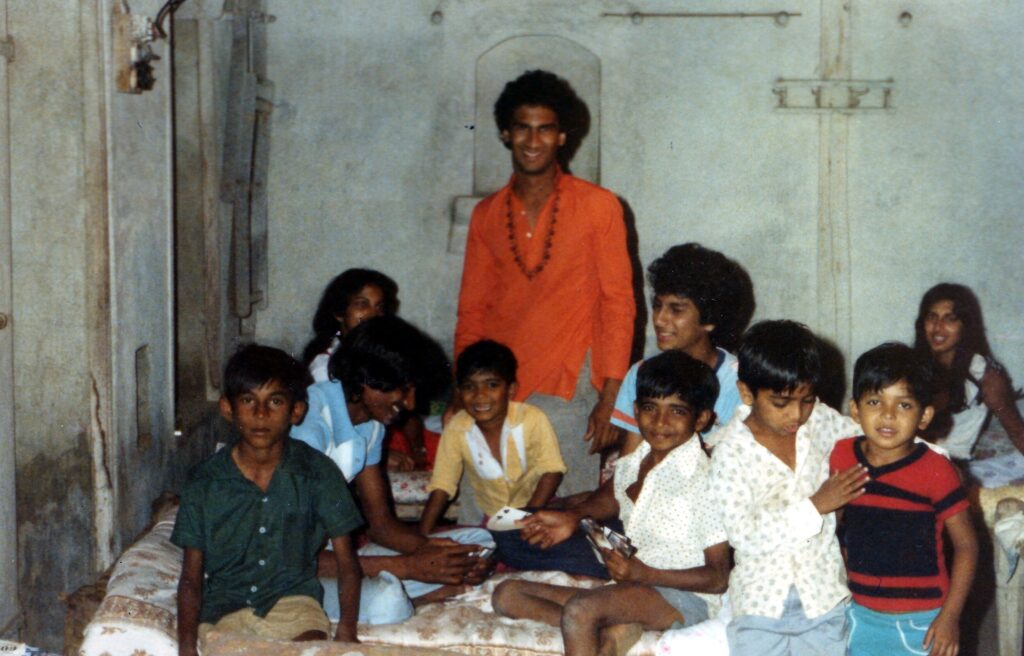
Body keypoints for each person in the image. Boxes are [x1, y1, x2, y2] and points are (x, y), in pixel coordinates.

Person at [455, 69, 636, 496]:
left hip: (568, 380)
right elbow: (471, 310)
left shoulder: (599, 206)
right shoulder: (486, 215)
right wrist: (459, 393)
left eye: (544, 129)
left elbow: (619, 303)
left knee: (557, 515)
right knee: (486, 519)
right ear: (505, 133)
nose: (533, 141)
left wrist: (612, 399)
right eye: (522, 128)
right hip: (495, 385)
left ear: (561, 137)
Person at [492, 351, 731, 656]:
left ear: (701, 419)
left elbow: (718, 577)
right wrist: (572, 517)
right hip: (632, 587)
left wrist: (644, 574)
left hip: (682, 596)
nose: (660, 422)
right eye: (650, 408)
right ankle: (607, 636)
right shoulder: (636, 459)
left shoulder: (705, 480)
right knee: (508, 593)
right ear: (635, 410)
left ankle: (601, 626)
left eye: (677, 411)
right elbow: (613, 494)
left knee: (581, 610)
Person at [290, 316, 494, 623]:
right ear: (366, 382)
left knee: (479, 543)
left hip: (341, 559)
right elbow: (295, 558)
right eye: (403, 389)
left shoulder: (371, 425)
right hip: (289, 575)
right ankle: (414, 598)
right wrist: (412, 567)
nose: (410, 404)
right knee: (388, 603)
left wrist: (444, 556)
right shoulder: (309, 424)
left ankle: (413, 588)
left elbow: (381, 525)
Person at [173, 345, 363, 655]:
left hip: (295, 607)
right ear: (228, 408)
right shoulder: (204, 482)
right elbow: (191, 577)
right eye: (248, 401)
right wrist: (185, 648)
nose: (261, 414)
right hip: (224, 611)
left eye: (275, 401)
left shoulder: (319, 473)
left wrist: (347, 631)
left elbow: (347, 563)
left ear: (296, 411)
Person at [708, 320, 866, 656]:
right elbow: (745, 534)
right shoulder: (730, 453)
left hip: (824, 598)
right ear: (747, 393)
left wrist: (933, 456)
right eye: (781, 402)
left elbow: (874, 440)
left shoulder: (820, 421)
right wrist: (815, 506)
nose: (797, 414)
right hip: (761, 607)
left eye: (806, 399)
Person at [833, 342, 977, 656]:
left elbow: (967, 546)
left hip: (924, 621)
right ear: (855, 409)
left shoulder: (936, 470)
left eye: (904, 405)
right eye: (875, 401)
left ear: (924, 416)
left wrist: (950, 616)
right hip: (859, 613)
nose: (887, 415)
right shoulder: (842, 456)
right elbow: (835, 526)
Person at [611, 242, 754, 454]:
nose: (659, 320)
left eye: (676, 310)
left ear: (710, 319)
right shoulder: (641, 373)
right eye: (658, 306)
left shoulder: (740, 384)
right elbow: (631, 461)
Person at [419, 340, 566, 535]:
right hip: (495, 519)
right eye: (469, 387)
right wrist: (421, 538)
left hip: (539, 508)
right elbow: (442, 485)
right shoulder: (457, 429)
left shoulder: (531, 418)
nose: (480, 395)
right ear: (459, 392)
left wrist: (527, 519)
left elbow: (552, 470)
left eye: (492, 385)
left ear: (511, 389)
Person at [914, 282, 1024, 459]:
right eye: (932, 317)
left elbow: (1018, 432)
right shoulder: (914, 363)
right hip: (906, 454)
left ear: (965, 326)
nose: (937, 327)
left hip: (947, 463)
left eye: (950, 319)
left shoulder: (985, 375)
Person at [302, 268, 399, 383]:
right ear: (339, 312)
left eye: (379, 306)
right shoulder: (324, 367)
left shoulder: (385, 356)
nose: (374, 314)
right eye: (362, 304)